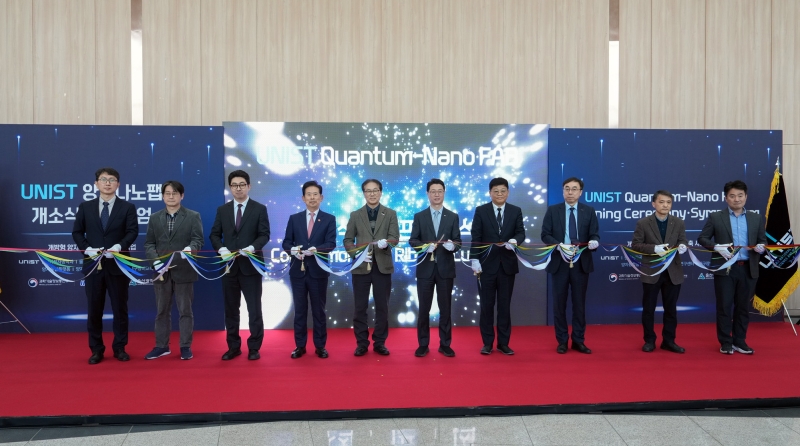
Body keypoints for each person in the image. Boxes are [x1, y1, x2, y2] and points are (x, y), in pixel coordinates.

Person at [71, 167, 138, 365]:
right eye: (103, 179)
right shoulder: (86, 207)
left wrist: (119, 246)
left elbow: (132, 231)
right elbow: (77, 232)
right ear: (96, 184)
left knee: (120, 308)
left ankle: (120, 348)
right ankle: (96, 349)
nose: (107, 183)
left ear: (118, 184)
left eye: (112, 180)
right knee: (94, 309)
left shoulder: (127, 207)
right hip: (93, 266)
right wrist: (87, 249)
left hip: (118, 265)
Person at [698, 180, 766, 355]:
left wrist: (761, 246)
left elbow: (762, 240)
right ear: (726, 198)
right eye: (732, 196)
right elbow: (702, 238)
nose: (737, 199)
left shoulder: (756, 218)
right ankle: (726, 342)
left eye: (740, 195)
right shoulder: (716, 217)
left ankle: (740, 341)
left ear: (746, 197)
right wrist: (716, 247)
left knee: (743, 307)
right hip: (725, 268)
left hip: (748, 269)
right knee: (724, 306)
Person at [210, 170, 271, 361]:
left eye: (242, 184)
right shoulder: (223, 210)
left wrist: (252, 247)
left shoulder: (259, 209)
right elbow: (214, 234)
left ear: (249, 186)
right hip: (229, 267)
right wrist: (221, 249)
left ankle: (254, 347)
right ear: (230, 188)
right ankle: (233, 346)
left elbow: (264, 234)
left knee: (254, 309)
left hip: (251, 266)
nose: (238, 188)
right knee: (231, 309)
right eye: (235, 185)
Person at [143, 180, 204, 360]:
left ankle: (185, 346)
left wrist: (190, 249)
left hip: (184, 269)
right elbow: (149, 244)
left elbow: (198, 240)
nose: (171, 196)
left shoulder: (193, 216)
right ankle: (161, 346)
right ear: (163, 196)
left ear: (181, 196)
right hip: (161, 271)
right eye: (167, 193)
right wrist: (155, 262)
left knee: (185, 311)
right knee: (162, 311)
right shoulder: (155, 218)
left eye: (175, 193)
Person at [540, 177, 599, 354]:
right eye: (567, 188)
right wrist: (559, 245)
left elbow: (594, 234)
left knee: (579, 304)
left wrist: (594, 241)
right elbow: (545, 235)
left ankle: (578, 340)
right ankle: (562, 341)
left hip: (581, 263)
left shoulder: (589, 211)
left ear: (580, 192)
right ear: (563, 191)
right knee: (559, 304)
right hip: (559, 262)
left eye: (574, 189)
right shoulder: (553, 210)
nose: (570, 192)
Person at [469, 177, 525, 355]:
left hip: (507, 266)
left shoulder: (515, 211)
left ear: (508, 192)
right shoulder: (481, 211)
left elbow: (521, 232)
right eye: (496, 191)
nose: (499, 194)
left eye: (503, 191)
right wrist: (474, 259)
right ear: (490, 193)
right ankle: (487, 343)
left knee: (504, 306)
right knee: (486, 306)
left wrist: (515, 241)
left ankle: (503, 343)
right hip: (486, 266)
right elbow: (476, 236)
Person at [343, 179, 400, 356]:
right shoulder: (355, 215)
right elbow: (347, 240)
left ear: (381, 192)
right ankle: (361, 343)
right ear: (364, 193)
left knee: (382, 307)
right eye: (368, 191)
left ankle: (380, 342)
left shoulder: (390, 213)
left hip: (382, 267)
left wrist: (387, 244)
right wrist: (357, 254)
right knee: (360, 307)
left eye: (375, 190)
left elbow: (395, 238)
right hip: (361, 267)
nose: (372, 194)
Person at [282, 180, 337, 359]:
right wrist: (293, 250)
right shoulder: (294, 218)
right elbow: (286, 243)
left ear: (321, 197)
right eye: (309, 194)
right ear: (303, 198)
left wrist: (317, 250)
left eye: (315, 194)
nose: (312, 198)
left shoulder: (329, 219)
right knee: (300, 310)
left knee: (319, 311)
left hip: (318, 271)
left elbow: (331, 243)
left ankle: (320, 346)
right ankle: (300, 346)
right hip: (298, 271)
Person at [408, 179, 462, 357]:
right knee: (424, 308)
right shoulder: (419, 216)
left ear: (444, 193)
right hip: (425, 269)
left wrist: (453, 246)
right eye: (433, 191)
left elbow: (458, 241)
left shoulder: (452, 216)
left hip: (445, 269)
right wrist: (424, 247)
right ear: (427, 194)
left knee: (445, 309)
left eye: (440, 191)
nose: (436, 194)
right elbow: (413, 240)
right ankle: (423, 344)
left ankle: (445, 344)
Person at [631, 190, 689, 354]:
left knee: (671, 309)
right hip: (652, 271)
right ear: (653, 204)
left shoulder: (678, 222)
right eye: (662, 202)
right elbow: (636, 245)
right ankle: (649, 340)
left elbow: (683, 240)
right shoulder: (643, 223)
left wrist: (683, 245)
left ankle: (669, 341)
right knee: (649, 309)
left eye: (668, 202)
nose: (665, 205)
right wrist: (654, 249)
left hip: (673, 272)